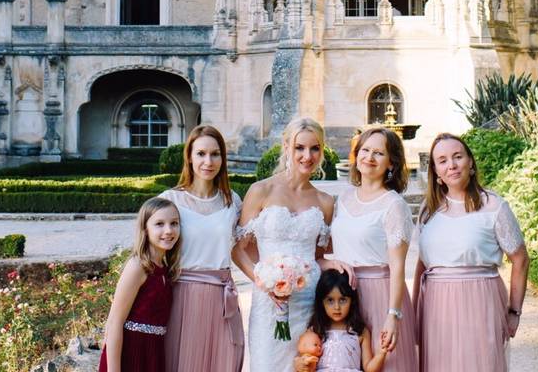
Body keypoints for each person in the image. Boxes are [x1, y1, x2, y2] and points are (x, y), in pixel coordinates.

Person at [233, 117, 354, 372]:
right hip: (268, 303)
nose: (307, 156)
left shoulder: (324, 201)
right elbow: (239, 249)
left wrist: (329, 262)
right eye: (300, 147)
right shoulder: (261, 190)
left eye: (314, 148)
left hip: (308, 303)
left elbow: (317, 256)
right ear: (286, 146)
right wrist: (263, 282)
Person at [413, 133, 529, 372]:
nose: (452, 165)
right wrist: (415, 314)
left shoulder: (494, 206)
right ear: (436, 171)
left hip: (480, 300)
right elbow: (422, 265)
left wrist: (514, 311)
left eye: (458, 157)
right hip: (436, 306)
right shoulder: (428, 210)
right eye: (442, 160)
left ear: (470, 162)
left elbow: (520, 259)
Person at [330, 127, 418, 372]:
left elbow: (398, 266)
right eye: (365, 150)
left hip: (380, 293)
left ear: (391, 163)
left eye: (378, 153)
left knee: (387, 364)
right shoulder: (344, 198)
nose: (369, 157)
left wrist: (393, 314)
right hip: (344, 294)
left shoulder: (393, 205)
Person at [160, 125, 244, 372]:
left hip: (222, 296)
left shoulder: (233, 202)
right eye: (201, 154)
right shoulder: (170, 200)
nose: (208, 161)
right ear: (189, 157)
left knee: (224, 362)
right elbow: (148, 255)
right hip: (182, 295)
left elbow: (245, 249)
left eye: (215, 154)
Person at [99, 197, 181, 372]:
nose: (168, 230)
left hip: (153, 352)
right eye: (159, 224)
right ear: (145, 229)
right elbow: (114, 322)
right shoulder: (138, 266)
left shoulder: (166, 268)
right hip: (131, 352)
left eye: (174, 223)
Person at [294, 269, 391, 372]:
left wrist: (381, 353)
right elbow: (308, 363)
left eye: (343, 300)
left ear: (352, 301)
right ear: (321, 302)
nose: (337, 307)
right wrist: (301, 363)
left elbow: (369, 368)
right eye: (330, 300)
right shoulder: (315, 331)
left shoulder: (361, 331)